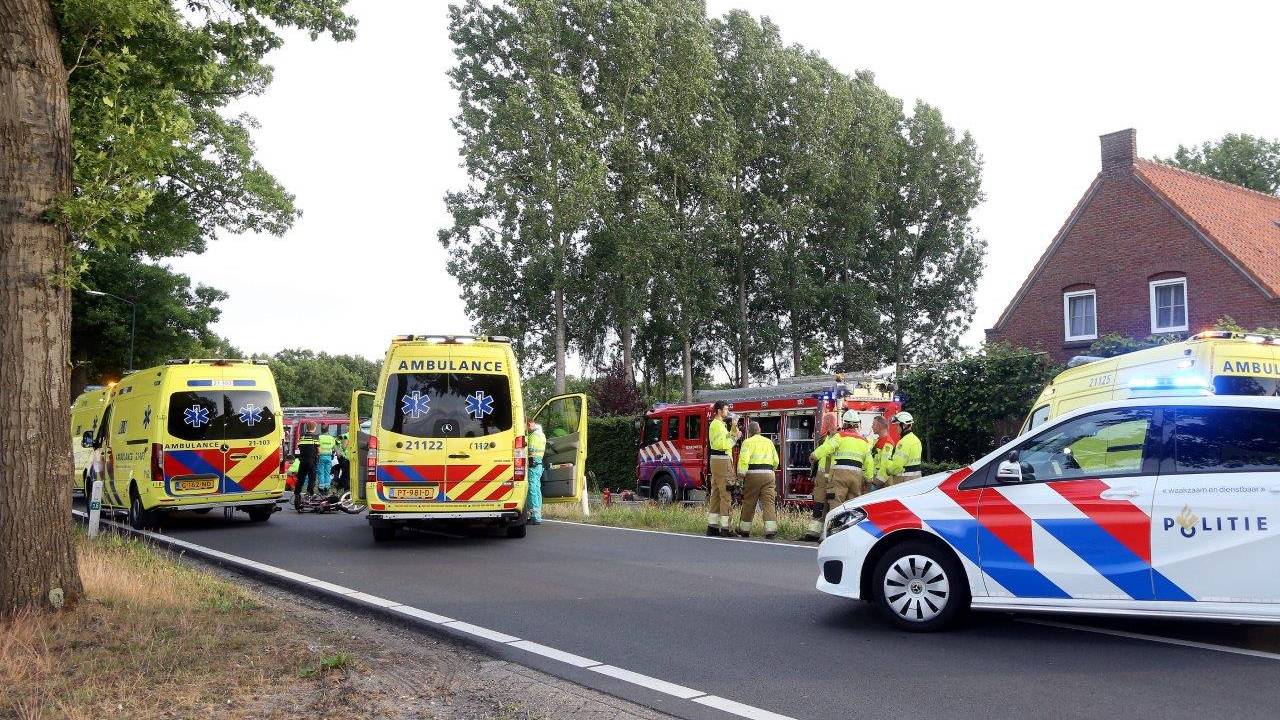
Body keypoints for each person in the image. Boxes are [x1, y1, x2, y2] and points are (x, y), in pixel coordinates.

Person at [808, 410, 873, 535]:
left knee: (836, 505)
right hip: (857, 477)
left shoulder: (840, 436)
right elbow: (869, 461)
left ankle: (831, 535)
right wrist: (869, 478)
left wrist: (814, 455)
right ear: (857, 425)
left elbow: (827, 447)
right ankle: (852, 534)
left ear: (845, 423)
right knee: (853, 506)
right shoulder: (864, 441)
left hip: (839, 475)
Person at [804, 398, 844, 541]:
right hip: (830, 475)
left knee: (822, 504)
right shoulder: (835, 437)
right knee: (827, 505)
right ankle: (820, 534)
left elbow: (821, 453)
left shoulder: (832, 438)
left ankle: (819, 534)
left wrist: (813, 457)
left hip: (826, 476)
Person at [735, 422, 779, 539]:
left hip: (753, 475)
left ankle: (744, 530)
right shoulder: (769, 442)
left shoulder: (747, 442)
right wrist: (770, 469)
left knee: (749, 502)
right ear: (760, 430)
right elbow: (776, 461)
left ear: (749, 432)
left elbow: (744, 460)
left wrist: (741, 474)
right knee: (768, 503)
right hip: (769, 475)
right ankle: (770, 531)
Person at [706, 401, 740, 536]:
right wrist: (735, 439)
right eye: (726, 409)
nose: (727, 412)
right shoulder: (718, 425)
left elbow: (726, 437)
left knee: (716, 494)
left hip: (716, 461)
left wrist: (733, 427)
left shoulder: (719, 425)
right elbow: (723, 444)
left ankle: (712, 526)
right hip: (722, 460)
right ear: (719, 411)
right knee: (726, 493)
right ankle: (726, 528)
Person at [882, 411, 923, 486]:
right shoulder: (916, 440)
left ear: (904, 425)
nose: (896, 428)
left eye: (897, 425)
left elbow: (895, 468)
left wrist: (887, 462)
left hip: (904, 481)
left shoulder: (903, 442)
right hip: (916, 480)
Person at [294, 421, 320, 508]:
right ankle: (310, 494)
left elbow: (299, 447)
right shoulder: (315, 437)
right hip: (311, 461)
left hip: (302, 461)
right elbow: (318, 450)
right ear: (314, 428)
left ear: (307, 428)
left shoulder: (302, 437)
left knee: (300, 479)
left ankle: (297, 496)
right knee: (312, 478)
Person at [867, 414, 895, 492]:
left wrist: (877, 483)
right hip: (876, 480)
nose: (872, 427)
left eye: (873, 424)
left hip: (881, 483)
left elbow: (884, 465)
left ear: (879, 426)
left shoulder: (887, 443)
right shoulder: (878, 441)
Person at [526, 418, 546, 524]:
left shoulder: (533, 436)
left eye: (526, 427)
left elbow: (529, 450)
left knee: (532, 489)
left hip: (533, 464)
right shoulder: (541, 434)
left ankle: (535, 516)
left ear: (529, 424)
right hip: (539, 464)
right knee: (537, 490)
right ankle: (538, 514)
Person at [316, 423, 337, 495]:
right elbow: (335, 447)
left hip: (321, 457)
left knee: (321, 472)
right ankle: (327, 488)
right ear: (328, 430)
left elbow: (317, 447)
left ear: (321, 430)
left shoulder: (319, 437)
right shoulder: (332, 438)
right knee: (327, 473)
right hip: (329, 457)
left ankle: (321, 488)